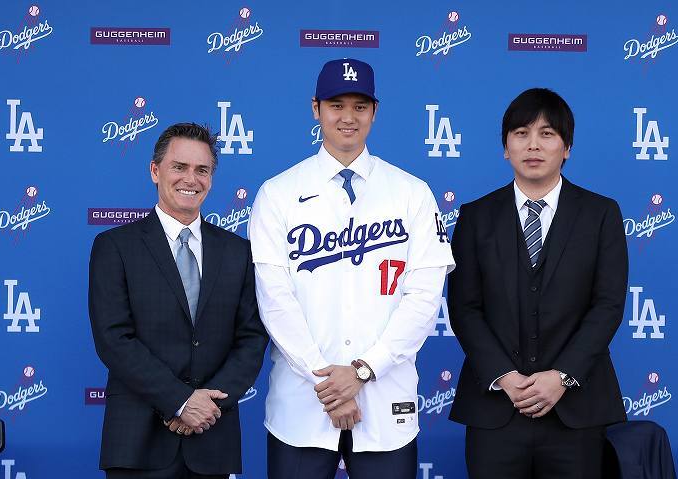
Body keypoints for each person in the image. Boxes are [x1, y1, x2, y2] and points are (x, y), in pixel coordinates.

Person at [248, 58, 455, 479]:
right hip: (303, 403)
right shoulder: (278, 193)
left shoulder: (413, 193)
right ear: (315, 109)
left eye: (360, 106)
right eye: (336, 104)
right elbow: (274, 300)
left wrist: (362, 371)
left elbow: (423, 300)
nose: (348, 116)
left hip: (385, 400)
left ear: (375, 112)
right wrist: (330, 384)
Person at [447, 88, 628, 479]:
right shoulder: (476, 216)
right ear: (505, 147)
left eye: (547, 134)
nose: (533, 145)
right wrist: (505, 378)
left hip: (575, 412)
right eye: (520, 133)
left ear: (567, 148)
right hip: (495, 409)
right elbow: (464, 307)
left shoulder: (600, 214)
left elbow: (608, 305)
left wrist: (562, 376)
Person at [89, 123, 268, 479]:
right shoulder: (115, 247)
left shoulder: (237, 252)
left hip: (211, 440)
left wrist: (207, 406)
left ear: (212, 178)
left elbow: (251, 339)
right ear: (155, 171)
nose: (191, 178)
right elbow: (114, 340)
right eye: (179, 167)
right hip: (138, 443)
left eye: (202, 170)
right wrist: (181, 401)